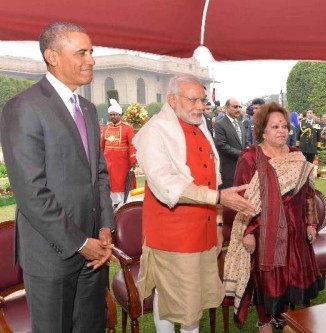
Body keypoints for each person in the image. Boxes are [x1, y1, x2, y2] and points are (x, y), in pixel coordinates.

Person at [0, 21, 114, 332]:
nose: (90, 59)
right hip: (52, 255)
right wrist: (79, 242)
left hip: (94, 253)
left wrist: (105, 225)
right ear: (52, 56)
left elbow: (98, 173)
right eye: (81, 52)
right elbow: (30, 193)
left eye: (91, 52)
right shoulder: (24, 107)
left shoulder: (88, 109)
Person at [133, 74, 256, 333]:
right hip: (173, 235)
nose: (201, 106)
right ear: (172, 99)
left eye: (202, 100)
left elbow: (212, 178)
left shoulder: (200, 126)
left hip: (204, 229)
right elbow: (166, 185)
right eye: (193, 100)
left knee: (195, 300)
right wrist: (220, 198)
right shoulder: (153, 132)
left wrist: (218, 223)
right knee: (171, 299)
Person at [223, 102, 324, 333]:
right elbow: (242, 198)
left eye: (284, 126)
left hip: (296, 231)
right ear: (262, 130)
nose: (281, 130)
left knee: (292, 275)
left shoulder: (297, 156)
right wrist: (247, 233)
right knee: (268, 278)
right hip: (264, 231)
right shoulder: (251, 157)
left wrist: (310, 222)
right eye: (274, 126)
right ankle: (266, 322)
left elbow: (308, 193)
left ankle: (286, 319)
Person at [101, 98, 137, 207]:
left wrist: (133, 160)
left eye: (115, 114)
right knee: (110, 184)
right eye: (111, 115)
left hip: (122, 163)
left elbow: (132, 145)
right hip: (108, 162)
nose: (112, 117)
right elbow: (102, 145)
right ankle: (113, 204)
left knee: (121, 183)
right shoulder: (106, 128)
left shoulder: (127, 129)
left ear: (120, 115)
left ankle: (123, 204)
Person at [214, 98, 246, 189]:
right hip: (228, 170)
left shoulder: (241, 124)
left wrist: (248, 152)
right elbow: (221, 145)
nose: (238, 109)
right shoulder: (220, 124)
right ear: (227, 108)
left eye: (239, 107)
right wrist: (242, 154)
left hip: (242, 168)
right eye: (235, 107)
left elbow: (245, 142)